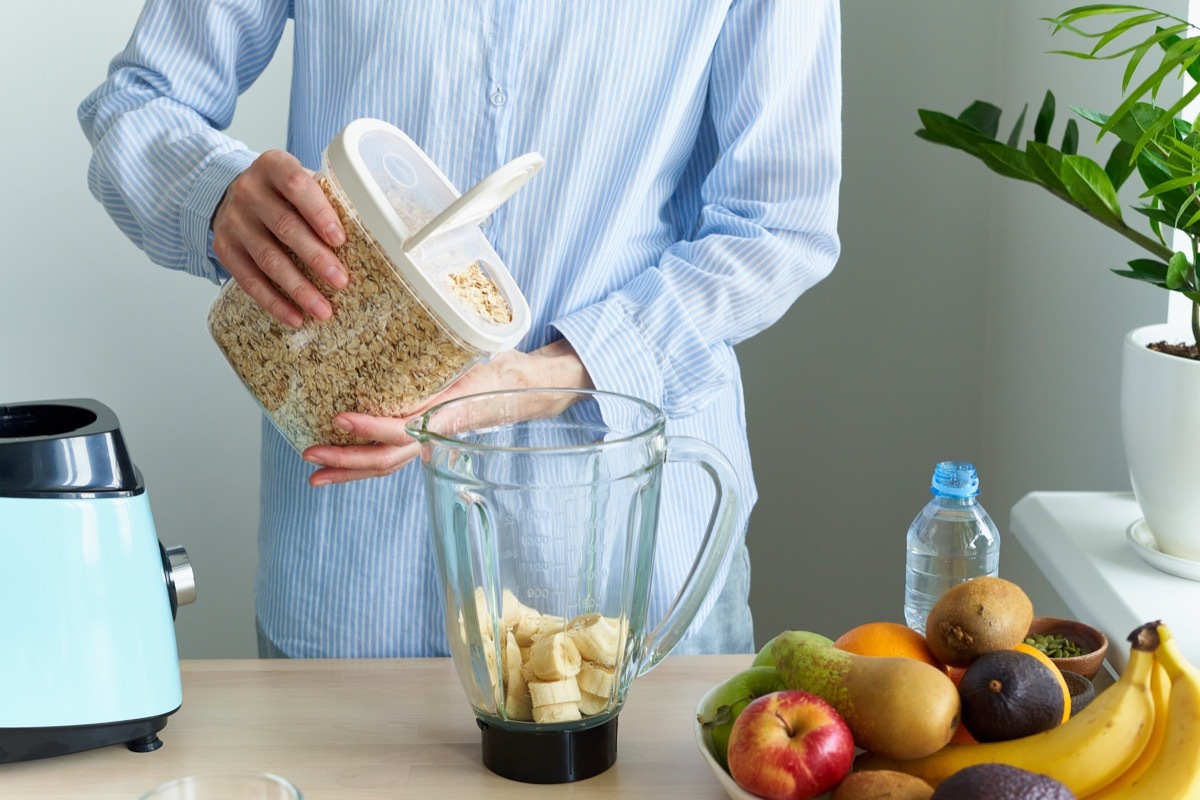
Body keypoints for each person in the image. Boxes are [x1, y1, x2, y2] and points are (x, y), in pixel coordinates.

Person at [79, 0, 842, 659]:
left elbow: (777, 226)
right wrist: (217, 195)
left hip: (631, 581)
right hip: (352, 586)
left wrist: (543, 376)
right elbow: (140, 100)